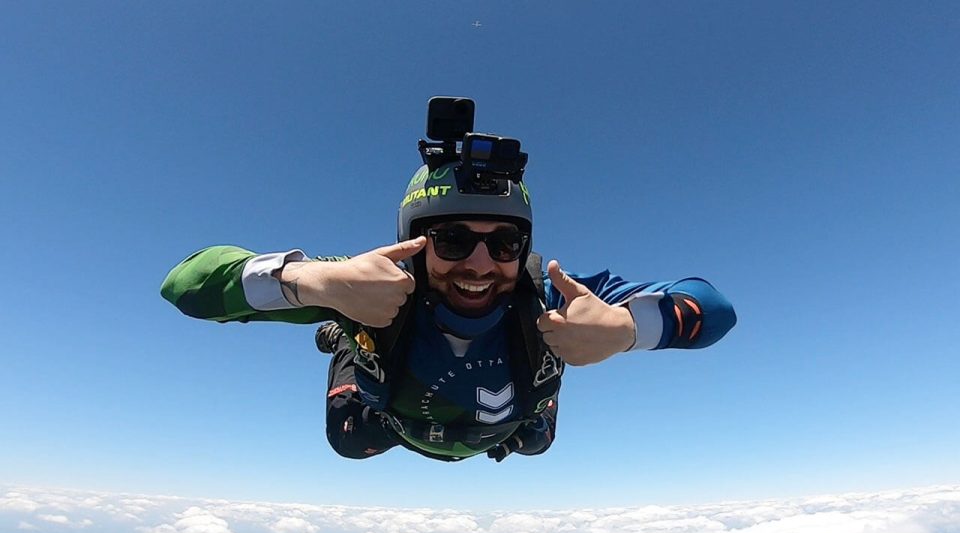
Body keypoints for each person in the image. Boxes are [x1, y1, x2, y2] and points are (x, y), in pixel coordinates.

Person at [161, 101, 736, 463]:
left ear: (525, 248)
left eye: (506, 243)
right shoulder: (365, 285)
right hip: (400, 420)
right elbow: (187, 286)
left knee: (536, 442)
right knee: (349, 440)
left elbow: (714, 310)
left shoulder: (552, 292)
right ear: (416, 242)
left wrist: (624, 328)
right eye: (453, 241)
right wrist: (312, 282)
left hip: (501, 424)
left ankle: (525, 402)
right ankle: (345, 340)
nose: (481, 264)